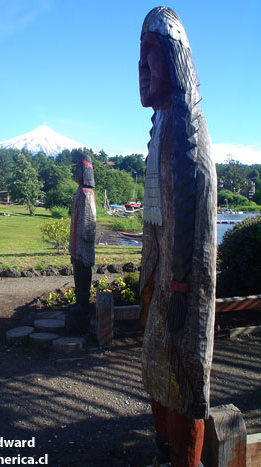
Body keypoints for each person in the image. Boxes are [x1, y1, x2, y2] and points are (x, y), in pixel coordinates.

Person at [138, 7, 217, 467]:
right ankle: (165, 450)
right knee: (155, 369)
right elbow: (156, 211)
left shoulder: (187, 128)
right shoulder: (161, 127)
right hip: (161, 277)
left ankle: (185, 458)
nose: (143, 70)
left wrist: (181, 281)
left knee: (184, 376)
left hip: (183, 283)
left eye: (150, 55)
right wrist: (151, 272)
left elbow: (195, 198)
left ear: (175, 58)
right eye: (139, 60)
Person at [66, 150, 97, 332]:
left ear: (85, 172)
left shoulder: (87, 193)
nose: (75, 173)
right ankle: (79, 303)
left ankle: (83, 305)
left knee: (83, 275)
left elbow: (90, 221)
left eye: (78, 169)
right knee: (77, 274)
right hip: (77, 245)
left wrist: (84, 237)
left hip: (83, 246)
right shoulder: (80, 192)